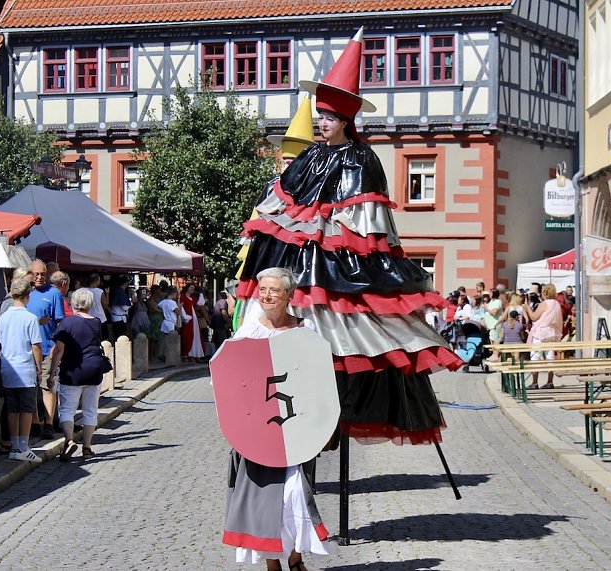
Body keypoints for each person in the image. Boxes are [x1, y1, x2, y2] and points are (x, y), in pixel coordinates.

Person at [236, 28, 459, 446]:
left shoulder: (361, 158)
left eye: (330, 117)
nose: (322, 123)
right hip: (300, 264)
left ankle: (335, 413)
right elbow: (280, 207)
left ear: (346, 120)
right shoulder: (310, 155)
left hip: (342, 267)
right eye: (320, 115)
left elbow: (367, 224)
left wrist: (331, 235)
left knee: (351, 339)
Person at [223, 267, 329, 570]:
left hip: (297, 429)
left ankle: (295, 559)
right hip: (259, 431)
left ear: (289, 296)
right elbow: (230, 375)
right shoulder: (249, 331)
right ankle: (273, 563)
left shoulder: (306, 329)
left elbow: (319, 375)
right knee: (265, 499)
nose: (268, 296)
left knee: (296, 495)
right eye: (263, 290)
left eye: (275, 290)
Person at [49, 288, 108, 461]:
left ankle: (69, 441)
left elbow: (59, 350)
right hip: (94, 370)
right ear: (89, 304)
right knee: (91, 410)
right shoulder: (97, 322)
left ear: (73, 303)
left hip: (72, 370)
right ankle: (87, 448)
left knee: (67, 409)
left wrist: (52, 372)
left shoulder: (67, 323)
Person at [0, 278, 43, 463]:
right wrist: (39, 369)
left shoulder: (4, 317)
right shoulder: (30, 318)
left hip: (7, 367)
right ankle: (23, 447)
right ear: (28, 296)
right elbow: (36, 346)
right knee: (26, 408)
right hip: (24, 368)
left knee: (12, 408)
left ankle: (15, 444)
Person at [26, 259, 65, 439]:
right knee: (31, 387)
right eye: (36, 274)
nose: (40, 277)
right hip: (28, 349)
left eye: (42, 274)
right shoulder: (26, 294)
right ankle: (34, 423)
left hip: (47, 346)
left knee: (48, 386)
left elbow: (60, 322)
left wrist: (56, 345)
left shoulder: (54, 293)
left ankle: (48, 423)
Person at [523, 283, 563, 390]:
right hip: (552, 332)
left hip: (541, 332)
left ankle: (535, 382)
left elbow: (534, 317)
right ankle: (550, 381)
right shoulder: (557, 304)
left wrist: (527, 308)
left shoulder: (545, 304)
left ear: (544, 293)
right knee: (550, 356)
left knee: (535, 356)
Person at [179, 283, 204, 361]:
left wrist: (201, 294)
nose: (192, 289)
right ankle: (186, 354)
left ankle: (195, 354)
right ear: (187, 288)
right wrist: (183, 318)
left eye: (193, 288)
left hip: (194, 319)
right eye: (190, 287)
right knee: (187, 335)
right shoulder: (183, 296)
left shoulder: (193, 298)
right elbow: (181, 307)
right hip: (188, 318)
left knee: (196, 336)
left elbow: (201, 304)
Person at [108, 276, 131, 341]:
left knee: (117, 337)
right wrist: (131, 303)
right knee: (120, 338)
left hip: (116, 317)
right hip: (119, 319)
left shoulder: (116, 291)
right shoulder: (120, 292)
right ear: (125, 283)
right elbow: (124, 306)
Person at [87, 273, 109, 339]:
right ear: (97, 281)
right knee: (104, 338)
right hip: (100, 317)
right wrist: (107, 293)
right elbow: (105, 305)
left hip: (89, 316)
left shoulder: (84, 291)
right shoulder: (100, 291)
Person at [146, 285, 164, 360]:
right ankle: (151, 356)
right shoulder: (150, 300)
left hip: (159, 320)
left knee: (158, 339)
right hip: (153, 320)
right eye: (158, 291)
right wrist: (158, 310)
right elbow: (151, 310)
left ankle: (156, 354)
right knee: (153, 339)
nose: (160, 292)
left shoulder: (160, 299)